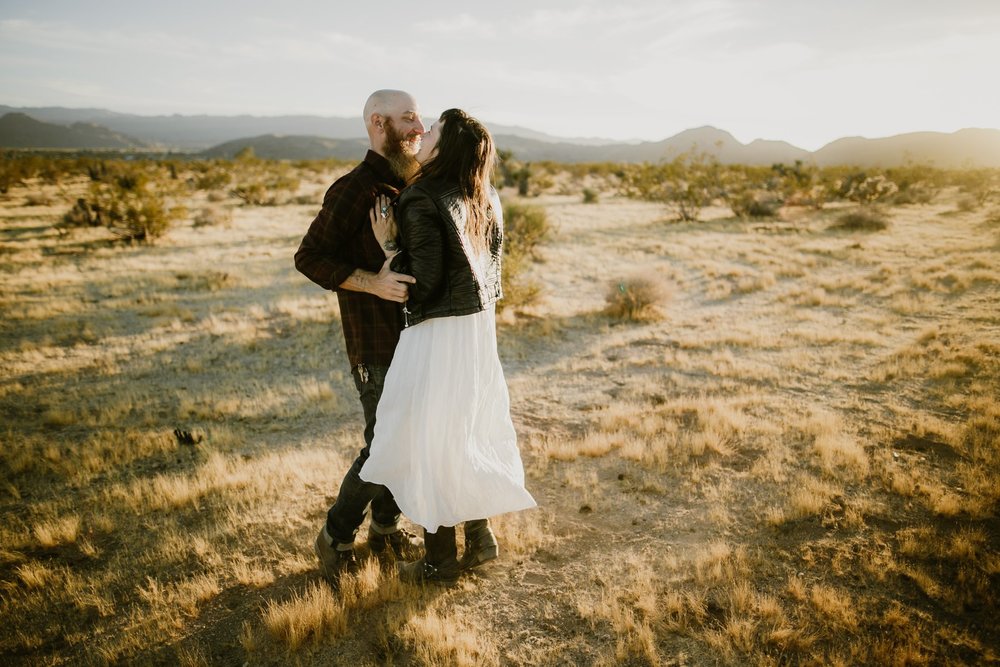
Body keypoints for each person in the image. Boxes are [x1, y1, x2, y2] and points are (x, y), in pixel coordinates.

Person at [359, 108, 537, 585]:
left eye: (433, 130)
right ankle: (480, 539)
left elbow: (426, 281)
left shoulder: (420, 195)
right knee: (463, 431)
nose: (424, 136)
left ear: (446, 145)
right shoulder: (489, 196)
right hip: (477, 332)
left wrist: (390, 246)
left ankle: (439, 562)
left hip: (438, 333)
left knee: (430, 440)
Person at [294, 89, 425, 582]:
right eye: (408, 118)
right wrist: (373, 283)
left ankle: (386, 530)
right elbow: (308, 257)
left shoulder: (406, 188)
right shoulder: (354, 188)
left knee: (405, 442)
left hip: (414, 341)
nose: (418, 127)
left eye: (418, 118)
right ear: (378, 122)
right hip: (375, 345)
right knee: (384, 443)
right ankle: (335, 535)